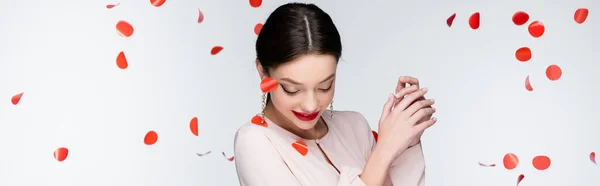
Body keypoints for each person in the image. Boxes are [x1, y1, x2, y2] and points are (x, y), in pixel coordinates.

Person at [233, 2, 437, 186]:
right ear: (262, 71)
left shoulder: (354, 126)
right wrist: (384, 151)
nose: (311, 105)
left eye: (325, 86)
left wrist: (407, 139)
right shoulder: (255, 142)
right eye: (292, 89)